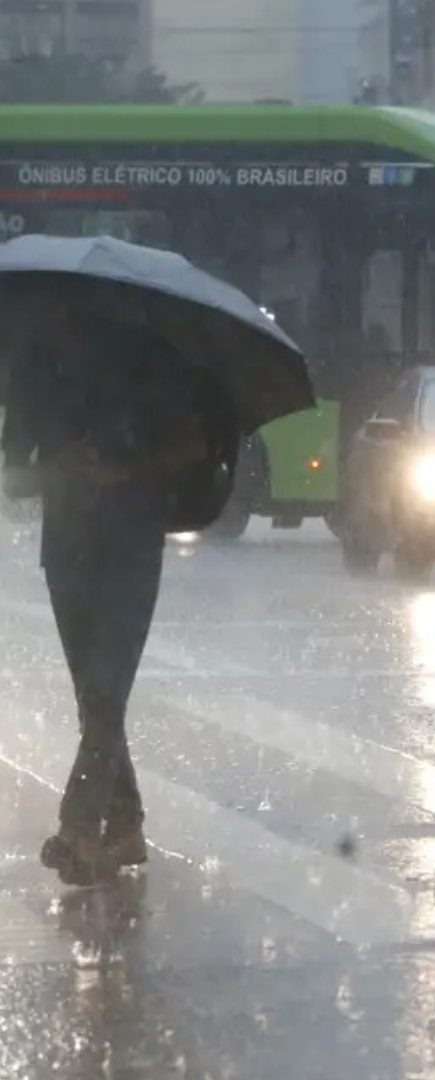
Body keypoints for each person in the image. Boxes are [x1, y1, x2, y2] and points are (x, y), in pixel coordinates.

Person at [1, 290, 210, 887]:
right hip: (65, 550)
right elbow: (14, 475)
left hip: (130, 546)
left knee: (104, 689)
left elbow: (192, 446)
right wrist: (59, 468)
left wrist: (121, 470)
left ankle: (77, 828)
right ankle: (125, 827)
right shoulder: (32, 367)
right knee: (96, 699)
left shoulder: (145, 360)